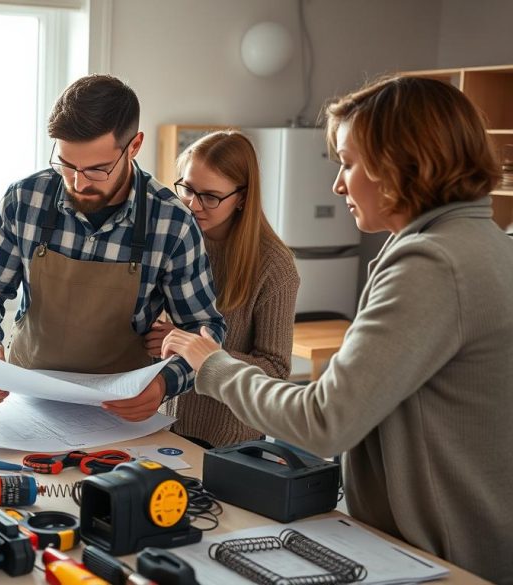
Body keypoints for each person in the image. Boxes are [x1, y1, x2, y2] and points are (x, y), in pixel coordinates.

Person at [162, 76, 513, 582]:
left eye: (348, 162)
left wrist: (211, 365)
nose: (338, 184)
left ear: (403, 161)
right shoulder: (482, 242)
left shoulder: (433, 262)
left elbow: (324, 420)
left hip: (447, 558)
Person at [0, 74, 226, 422]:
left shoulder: (172, 223)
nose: (78, 182)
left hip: (120, 414)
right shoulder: (24, 200)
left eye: (98, 169)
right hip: (27, 403)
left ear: (134, 145)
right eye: (67, 165)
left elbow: (205, 330)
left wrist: (163, 384)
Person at [145, 131, 299, 448]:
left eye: (211, 196)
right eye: (187, 188)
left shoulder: (274, 266)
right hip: (160, 423)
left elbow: (276, 372)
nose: (192, 204)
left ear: (242, 197)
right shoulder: (171, 240)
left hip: (229, 440)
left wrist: (197, 349)